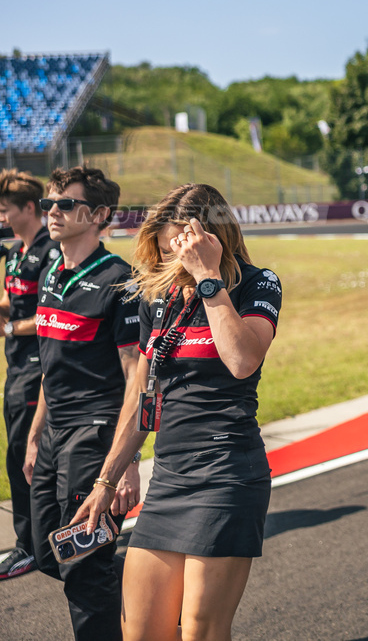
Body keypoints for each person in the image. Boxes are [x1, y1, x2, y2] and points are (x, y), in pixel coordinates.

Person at [73, 183, 281, 641]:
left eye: (182, 252)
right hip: (169, 479)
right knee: (141, 632)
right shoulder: (160, 299)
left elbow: (243, 360)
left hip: (227, 476)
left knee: (200, 633)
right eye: (168, 251)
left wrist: (209, 282)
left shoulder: (256, 284)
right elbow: (138, 397)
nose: (173, 263)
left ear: (212, 241)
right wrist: (107, 479)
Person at [28, 166, 141, 640]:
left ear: (98, 215)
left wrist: (128, 464)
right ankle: (141, 612)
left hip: (94, 435)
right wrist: (35, 435)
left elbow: (136, 376)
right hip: (53, 432)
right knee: (43, 549)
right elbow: (49, 366)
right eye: (50, 203)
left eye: (64, 204)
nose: (51, 212)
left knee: (83, 567)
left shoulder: (120, 280)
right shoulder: (51, 268)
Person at [0, 170, 62, 581]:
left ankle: (32, 547)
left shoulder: (49, 252)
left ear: (28, 208)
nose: (0, 213)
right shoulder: (15, 252)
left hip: (37, 368)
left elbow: (49, 317)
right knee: (20, 454)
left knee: (27, 456)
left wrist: (8, 327)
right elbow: (11, 302)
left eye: (5, 206)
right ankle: (42, 540)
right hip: (16, 366)